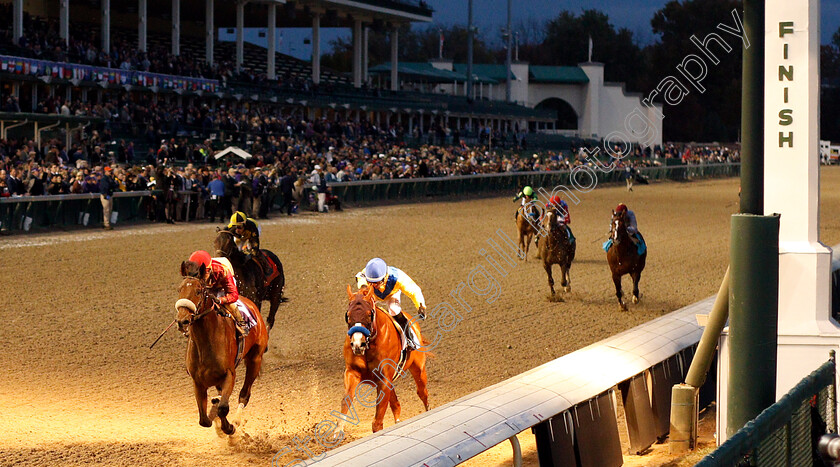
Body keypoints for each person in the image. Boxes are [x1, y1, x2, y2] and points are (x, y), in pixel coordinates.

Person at [354, 258, 426, 350]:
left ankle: (410, 338)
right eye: (370, 282)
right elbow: (359, 277)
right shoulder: (367, 274)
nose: (373, 285)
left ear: (385, 277)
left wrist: (420, 305)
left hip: (391, 294)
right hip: (373, 295)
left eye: (376, 283)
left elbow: (414, 290)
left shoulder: (398, 277)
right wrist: (363, 287)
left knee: (394, 310)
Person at [187, 250, 249, 336]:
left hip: (222, 285)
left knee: (230, 304)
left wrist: (220, 300)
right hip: (210, 285)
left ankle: (241, 323)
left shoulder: (223, 271)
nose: (200, 278)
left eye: (202, 274)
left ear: (208, 270)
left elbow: (233, 295)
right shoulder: (194, 272)